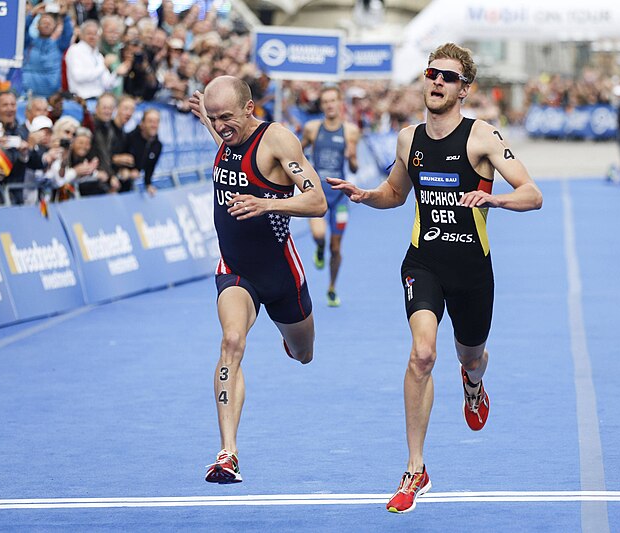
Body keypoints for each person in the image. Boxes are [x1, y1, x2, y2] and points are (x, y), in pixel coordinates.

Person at [327, 43, 543, 513]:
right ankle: (414, 468)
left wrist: (495, 200)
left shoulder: (482, 137)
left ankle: (473, 383)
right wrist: (367, 195)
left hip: (471, 270)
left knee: (471, 355)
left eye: (448, 77)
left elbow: (532, 194)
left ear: (465, 88)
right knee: (422, 354)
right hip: (423, 262)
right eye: (432, 74)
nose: (438, 82)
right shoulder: (408, 139)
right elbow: (395, 193)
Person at [187, 76, 327, 484]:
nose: (219, 126)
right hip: (235, 270)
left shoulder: (278, 140)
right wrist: (209, 121)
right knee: (232, 341)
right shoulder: (225, 137)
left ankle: (289, 338)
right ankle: (227, 453)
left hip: (281, 274)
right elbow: (229, 148)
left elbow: (316, 200)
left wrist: (266, 203)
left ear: (249, 109)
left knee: (304, 354)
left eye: (226, 117)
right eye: (213, 118)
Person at [300, 85, 360, 306]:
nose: (330, 105)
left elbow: (354, 168)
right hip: (317, 195)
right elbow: (296, 152)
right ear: (322, 105)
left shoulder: (351, 131)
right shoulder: (312, 128)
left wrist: (352, 157)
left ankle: (332, 288)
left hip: (340, 198)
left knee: (336, 248)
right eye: (325, 102)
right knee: (318, 235)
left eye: (333, 100)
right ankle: (318, 247)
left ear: (340, 103)